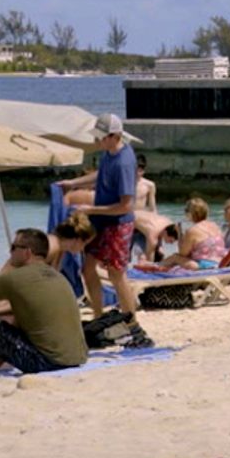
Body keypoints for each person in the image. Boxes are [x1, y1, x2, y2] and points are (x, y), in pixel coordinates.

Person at [0, 228, 88, 378]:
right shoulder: (58, 277)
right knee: (13, 326)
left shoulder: (12, 278)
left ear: (27, 252)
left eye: (14, 247)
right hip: (76, 359)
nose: (10, 252)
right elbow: (17, 329)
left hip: (46, 363)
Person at [65, 113, 138, 319]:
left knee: (117, 274)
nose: (98, 140)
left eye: (101, 137)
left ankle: (131, 320)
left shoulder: (124, 162)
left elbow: (125, 206)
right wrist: (73, 183)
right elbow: (101, 175)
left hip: (118, 224)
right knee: (87, 269)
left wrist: (90, 210)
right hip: (101, 222)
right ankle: (99, 316)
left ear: (115, 136)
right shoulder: (109, 154)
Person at [136, 197, 227, 272]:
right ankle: (154, 265)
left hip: (203, 266)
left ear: (190, 214)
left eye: (186, 212)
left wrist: (180, 236)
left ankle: (154, 267)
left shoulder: (193, 230)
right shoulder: (215, 226)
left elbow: (183, 253)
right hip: (219, 263)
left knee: (175, 257)